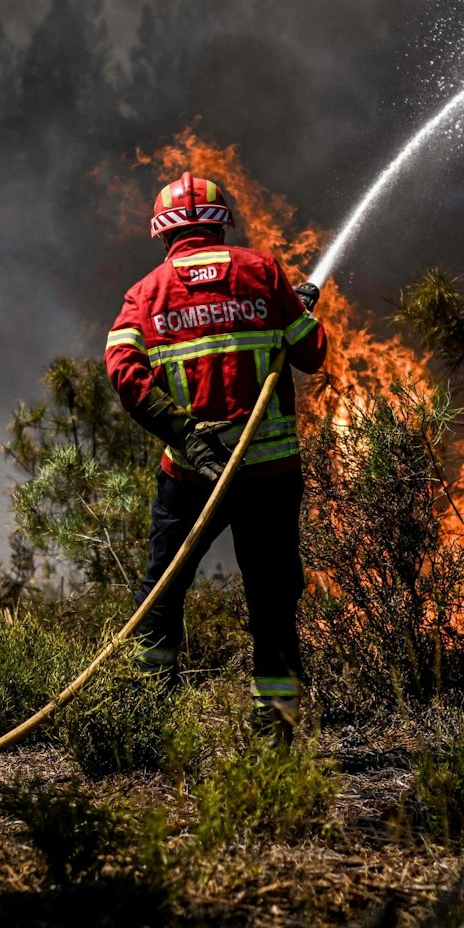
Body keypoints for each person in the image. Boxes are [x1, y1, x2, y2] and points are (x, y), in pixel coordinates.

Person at [102, 172, 328, 741]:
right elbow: (312, 353)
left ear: (162, 233)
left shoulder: (146, 294)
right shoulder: (262, 271)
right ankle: (274, 727)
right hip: (270, 474)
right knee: (271, 593)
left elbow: (123, 372)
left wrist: (182, 430)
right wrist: (292, 311)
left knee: (163, 589)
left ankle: (147, 715)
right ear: (221, 224)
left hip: (191, 473)